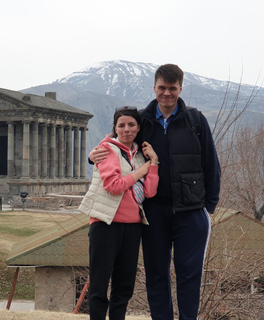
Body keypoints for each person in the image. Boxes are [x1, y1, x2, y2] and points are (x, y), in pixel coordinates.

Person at [89, 64, 221, 320]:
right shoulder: (143, 121)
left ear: (181, 88)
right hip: (153, 212)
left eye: (173, 88)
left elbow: (211, 164)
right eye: (162, 88)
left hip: (191, 211)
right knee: (156, 275)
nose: (167, 93)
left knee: (189, 275)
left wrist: (209, 207)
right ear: (154, 88)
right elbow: (117, 144)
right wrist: (91, 156)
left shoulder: (196, 120)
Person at [80, 106, 159, 320]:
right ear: (115, 128)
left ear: (138, 127)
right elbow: (114, 186)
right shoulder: (106, 149)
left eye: (131, 124)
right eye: (121, 125)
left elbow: (150, 191)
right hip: (105, 224)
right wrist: (141, 172)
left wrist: (154, 164)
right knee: (99, 283)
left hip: (133, 225)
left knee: (124, 285)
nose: (126, 129)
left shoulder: (141, 155)